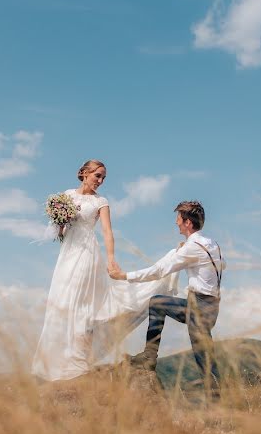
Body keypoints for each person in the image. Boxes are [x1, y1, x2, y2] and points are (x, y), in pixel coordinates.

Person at [31, 161, 178, 381]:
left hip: (87, 253)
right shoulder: (66, 196)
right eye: (97, 176)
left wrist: (111, 259)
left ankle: (78, 360)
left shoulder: (101, 202)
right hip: (68, 253)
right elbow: (60, 234)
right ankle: (57, 361)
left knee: (83, 304)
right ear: (83, 173)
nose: (100, 181)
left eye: (103, 178)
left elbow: (108, 232)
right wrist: (61, 221)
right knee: (62, 300)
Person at [108, 201, 224, 393]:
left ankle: (150, 357)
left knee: (203, 356)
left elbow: (159, 271)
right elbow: (222, 265)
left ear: (187, 223)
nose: (176, 223)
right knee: (203, 354)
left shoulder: (192, 247)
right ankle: (150, 356)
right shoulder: (210, 243)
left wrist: (124, 276)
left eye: (178, 219)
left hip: (199, 306)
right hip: (209, 305)